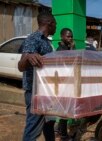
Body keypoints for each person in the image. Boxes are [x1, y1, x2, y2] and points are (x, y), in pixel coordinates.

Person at [18, 12, 56, 141]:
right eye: (55, 24)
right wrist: (28, 57)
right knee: (33, 129)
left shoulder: (46, 41)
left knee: (49, 124)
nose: (56, 27)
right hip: (35, 93)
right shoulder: (34, 38)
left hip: (45, 91)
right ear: (50, 24)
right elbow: (21, 66)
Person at [56, 28, 75, 141]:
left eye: (71, 36)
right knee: (65, 110)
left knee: (66, 109)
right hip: (63, 84)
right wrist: (72, 49)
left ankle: (59, 130)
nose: (70, 38)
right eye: (68, 36)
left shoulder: (69, 47)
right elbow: (67, 63)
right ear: (62, 36)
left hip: (69, 82)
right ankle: (63, 135)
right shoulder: (60, 50)